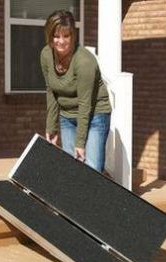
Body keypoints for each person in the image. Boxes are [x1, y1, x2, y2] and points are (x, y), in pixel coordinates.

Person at [40, 10, 112, 173]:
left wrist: (80, 143)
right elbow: (51, 90)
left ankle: (95, 198)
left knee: (91, 170)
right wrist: (51, 127)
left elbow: (85, 103)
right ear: (50, 36)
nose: (61, 41)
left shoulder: (85, 61)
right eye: (56, 36)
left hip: (95, 115)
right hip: (67, 116)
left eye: (66, 36)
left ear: (73, 36)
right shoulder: (45, 55)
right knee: (71, 170)